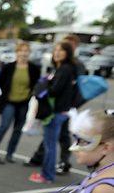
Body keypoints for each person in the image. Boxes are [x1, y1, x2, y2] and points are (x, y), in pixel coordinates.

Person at [24, 34, 86, 173]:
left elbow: (57, 90)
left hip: (60, 110)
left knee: (53, 142)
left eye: (63, 49)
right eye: (56, 49)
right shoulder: (63, 67)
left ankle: (50, 172)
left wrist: (44, 85)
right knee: (50, 141)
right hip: (61, 110)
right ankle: (43, 163)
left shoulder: (68, 68)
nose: (57, 52)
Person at [0, 41, 40, 164]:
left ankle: (10, 154)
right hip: (9, 102)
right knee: (4, 126)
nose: (24, 53)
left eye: (26, 51)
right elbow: (1, 81)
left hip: (24, 103)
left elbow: (36, 85)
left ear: (29, 53)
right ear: (17, 53)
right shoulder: (9, 67)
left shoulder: (34, 69)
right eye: (21, 50)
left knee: (17, 130)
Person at [63, 109, 114, 193]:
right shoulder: (99, 174)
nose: (73, 148)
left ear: (106, 148)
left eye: (82, 141)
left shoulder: (103, 191)